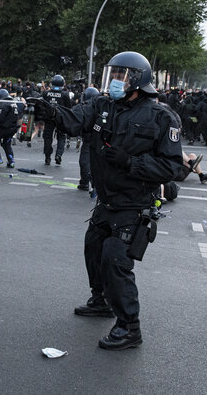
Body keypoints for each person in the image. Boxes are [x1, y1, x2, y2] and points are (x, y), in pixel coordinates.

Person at [31, 51, 182, 350]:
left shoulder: (162, 117)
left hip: (134, 203)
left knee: (115, 260)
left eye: (121, 75)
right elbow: (75, 120)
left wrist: (130, 162)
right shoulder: (102, 105)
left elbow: (172, 167)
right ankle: (100, 301)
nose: (114, 81)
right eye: (113, 74)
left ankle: (129, 328)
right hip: (106, 201)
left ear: (138, 80)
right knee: (93, 250)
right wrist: (51, 112)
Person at [41, 75, 71, 165]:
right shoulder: (65, 94)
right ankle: (58, 155)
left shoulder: (46, 94)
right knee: (61, 137)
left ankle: (47, 157)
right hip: (60, 119)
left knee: (47, 138)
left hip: (48, 119)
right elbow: (68, 108)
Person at [0, 88, 21, 168]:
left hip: (5, 127)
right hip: (13, 128)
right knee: (7, 144)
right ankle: (11, 161)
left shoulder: (4, 104)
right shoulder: (13, 103)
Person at [77, 87, 100, 191]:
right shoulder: (102, 108)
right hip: (98, 140)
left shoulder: (84, 108)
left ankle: (85, 182)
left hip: (89, 139)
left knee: (85, 162)